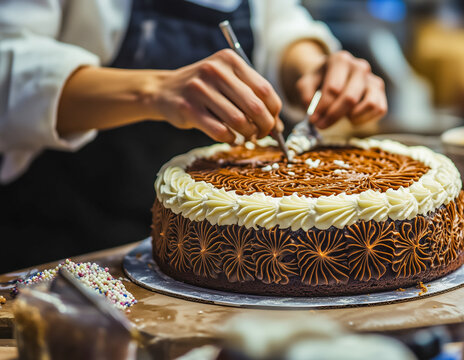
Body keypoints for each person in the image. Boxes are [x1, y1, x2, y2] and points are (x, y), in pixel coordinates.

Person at [0, 0, 387, 273]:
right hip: (65, 245)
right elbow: (8, 64)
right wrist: (155, 90)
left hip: (221, 252)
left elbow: (279, 23)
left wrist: (310, 67)